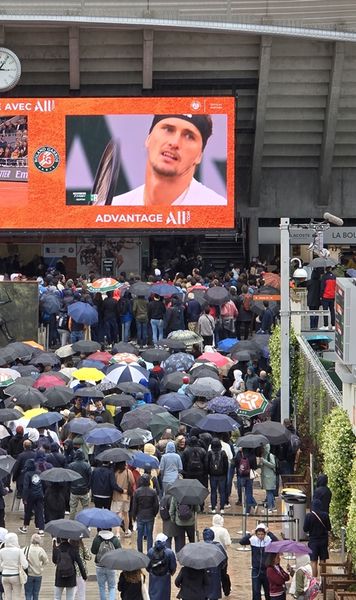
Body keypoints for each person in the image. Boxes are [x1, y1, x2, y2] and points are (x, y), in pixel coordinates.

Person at [111, 114, 227, 207]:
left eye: (189, 136)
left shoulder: (217, 208)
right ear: (148, 138)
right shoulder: (113, 209)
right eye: (168, 129)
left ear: (199, 156)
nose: (175, 143)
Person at [239, 523, 278, 600]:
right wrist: (250, 534)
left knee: (268, 591)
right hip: (256, 570)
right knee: (256, 591)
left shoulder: (269, 540)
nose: (260, 536)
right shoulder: (253, 540)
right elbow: (242, 542)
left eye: (262, 534)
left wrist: (269, 533)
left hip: (267, 570)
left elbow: (276, 541)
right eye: (258, 534)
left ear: (265, 534)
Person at [303, 498, 331, 577]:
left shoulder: (309, 516)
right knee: (323, 561)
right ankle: (323, 580)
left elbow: (305, 529)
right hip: (323, 540)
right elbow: (329, 528)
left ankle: (314, 581)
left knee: (313, 561)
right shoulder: (325, 515)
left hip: (313, 541)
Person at [132, 473, 159, 553]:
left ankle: (140, 552)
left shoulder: (137, 492)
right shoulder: (153, 492)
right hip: (150, 515)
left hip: (140, 515)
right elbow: (156, 505)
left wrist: (134, 516)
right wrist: (154, 514)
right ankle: (149, 552)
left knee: (139, 535)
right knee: (150, 535)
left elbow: (134, 506)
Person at [91, 529, 121, 600]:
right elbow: (119, 551)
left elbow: (93, 551)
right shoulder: (115, 539)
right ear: (110, 529)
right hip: (112, 566)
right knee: (112, 587)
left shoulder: (97, 539)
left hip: (99, 566)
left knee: (101, 587)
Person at [19, 458, 45, 535]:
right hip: (39, 494)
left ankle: (25, 527)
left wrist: (24, 498)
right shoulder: (39, 472)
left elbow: (25, 487)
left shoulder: (27, 474)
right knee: (40, 512)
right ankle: (41, 529)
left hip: (31, 495)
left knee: (28, 512)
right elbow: (43, 484)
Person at [147, 532, 177, 600]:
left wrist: (151, 572)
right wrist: (170, 573)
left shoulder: (150, 551)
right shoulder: (169, 552)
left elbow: (147, 566)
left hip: (153, 577)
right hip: (165, 577)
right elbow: (173, 567)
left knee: (153, 595)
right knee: (164, 596)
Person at [111, 461, 136, 538]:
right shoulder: (129, 472)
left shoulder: (115, 472)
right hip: (126, 496)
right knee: (126, 514)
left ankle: (117, 533)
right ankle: (126, 531)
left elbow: (113, 484)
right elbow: (132, 482)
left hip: (117, 496)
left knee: (118, 514)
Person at [0, 533, 28, 600]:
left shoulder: (1, 551)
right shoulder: (19, 551)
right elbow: (25, 565)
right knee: (17, 596)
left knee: (7, 596)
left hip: (5, 575)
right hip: (15, 575)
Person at [22, 533, 49, 600]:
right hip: (38, 574)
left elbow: (21, 560)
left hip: (28, 574)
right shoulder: (41, 550)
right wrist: (41, 566)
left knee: (28, 593)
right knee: (36, 593)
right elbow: (46, 561)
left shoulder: (25, 549)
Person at [206, 438, 229, 514]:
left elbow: (207, 464)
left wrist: (209, 473)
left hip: (213, 475)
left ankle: (213, 507)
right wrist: (225, 474)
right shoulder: (223, 453)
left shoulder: (209, 453)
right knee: (222, 492)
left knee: (213, 491)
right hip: (222, 475)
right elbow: (226, 465)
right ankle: (222, 508)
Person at [68, 449, 91, 519]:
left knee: (72, 508)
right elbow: (90, 478)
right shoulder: (87, 466)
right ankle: (86, 524)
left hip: (74, 490)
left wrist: (70, 487)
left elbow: (69, 478)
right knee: (86, 508)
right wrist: (88, 488)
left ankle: (71, 523)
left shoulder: (71, 465)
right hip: (84, 490)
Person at [235, 445, 258, 514]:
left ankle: (253, 505)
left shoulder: (239, 454)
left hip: (241, 476)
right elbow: (255, 467)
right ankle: (248, 510)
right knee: (248, 492)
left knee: (243, 493)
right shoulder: (252, 455)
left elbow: (236, 463)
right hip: (249, 476)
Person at [259, 444, 277, 513]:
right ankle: (273, 506)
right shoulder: (264, 456)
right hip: (266, 476)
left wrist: (264, 461)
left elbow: (273, 465)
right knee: (270, 492)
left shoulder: (270, 455)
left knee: (269, 492)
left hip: (270, 477)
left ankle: (270, 507)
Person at [319, 266, 336, 330]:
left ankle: (325, 325)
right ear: (330, 269)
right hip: (332, 296)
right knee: (332, 310)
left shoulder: (324, 277)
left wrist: (321, 296)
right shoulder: (334, 276)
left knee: (325, 311)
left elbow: (322, 288)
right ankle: (333, 325)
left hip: (325, 296)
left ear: (325, 269)